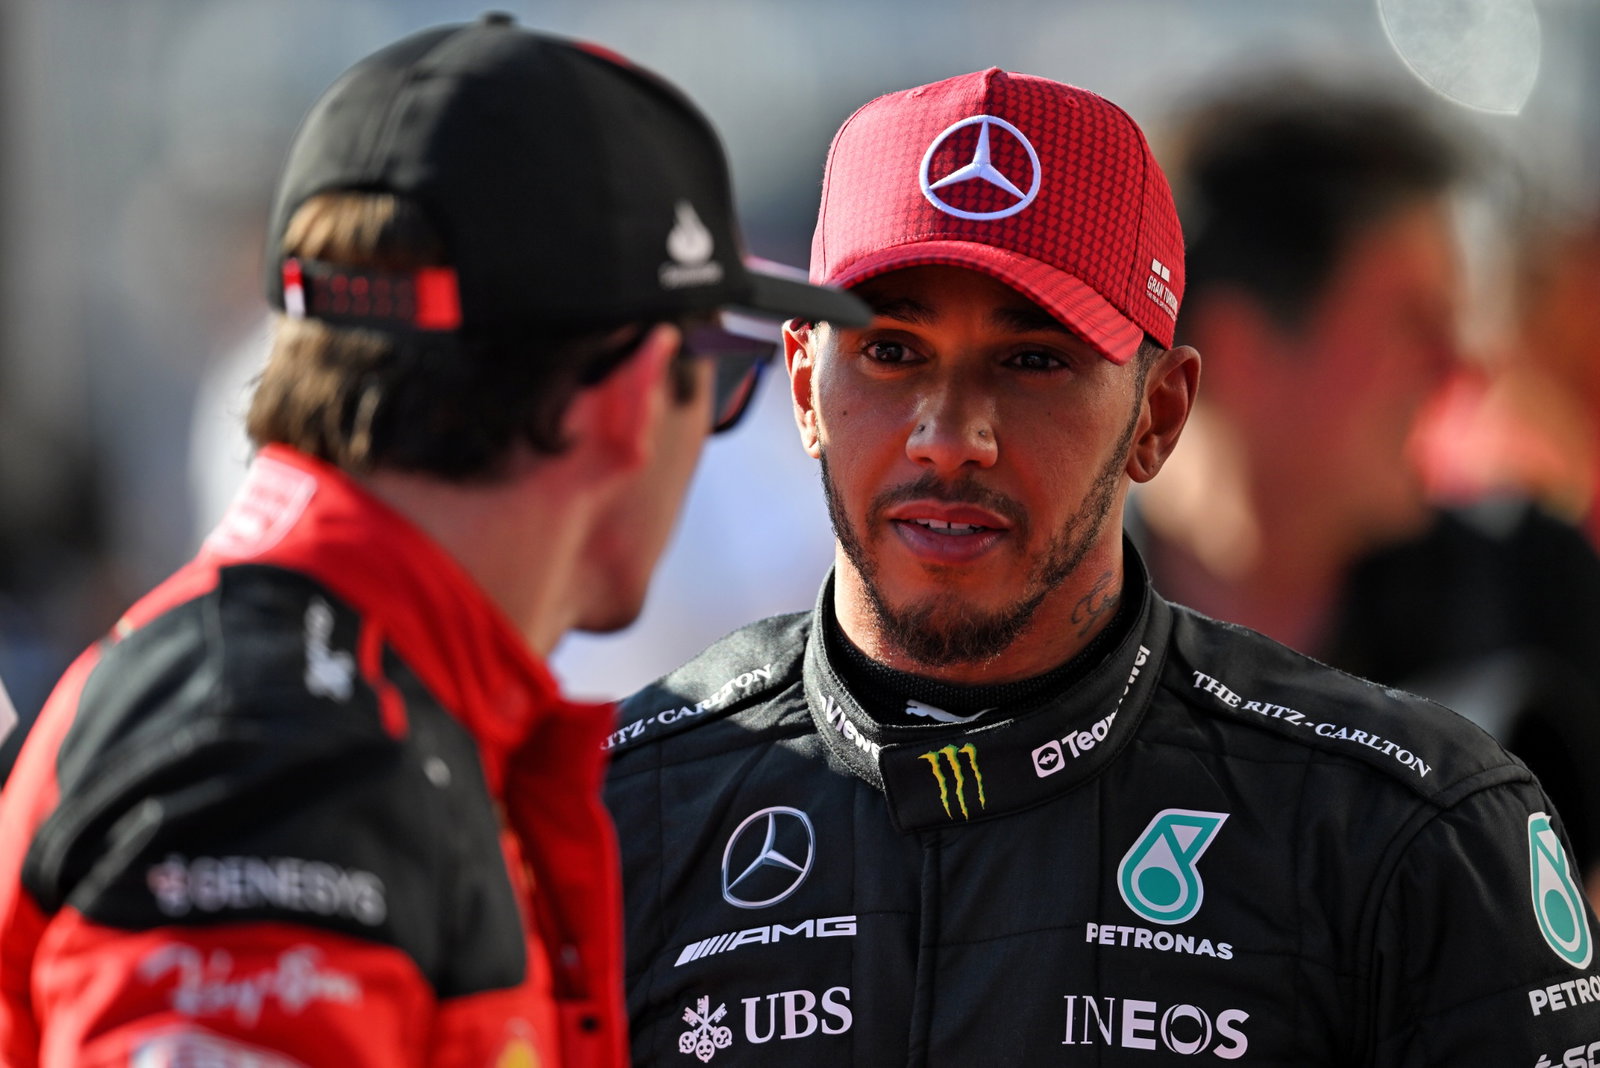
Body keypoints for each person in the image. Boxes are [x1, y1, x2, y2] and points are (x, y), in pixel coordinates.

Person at [603, 68, 1600, 1065]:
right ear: (805, 384)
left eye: (1033, 360)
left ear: (1158, 416)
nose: (950, 437)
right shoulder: (617, 812)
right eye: (892, 351)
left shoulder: (1412, 830)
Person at [0, 15, 867, 1068]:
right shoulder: (284, 750)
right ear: (638, 398)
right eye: (721, 384)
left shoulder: (331, 703)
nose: (713, 433)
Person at [1133, 77, 1600, 896]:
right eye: (1415, 320)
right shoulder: (1049, 638)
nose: (1463, 365)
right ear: (1242, 352)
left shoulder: (1534, 593)